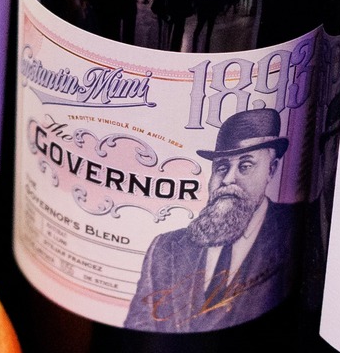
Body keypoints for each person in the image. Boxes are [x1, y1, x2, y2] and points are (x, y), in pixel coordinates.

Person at [125, 107, 293, 332]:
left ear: (271, 170)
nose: (228, 179)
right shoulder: (164, 248)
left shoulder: (293, 228)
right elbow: (138, 325)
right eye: (222, 167)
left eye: (245, 166)